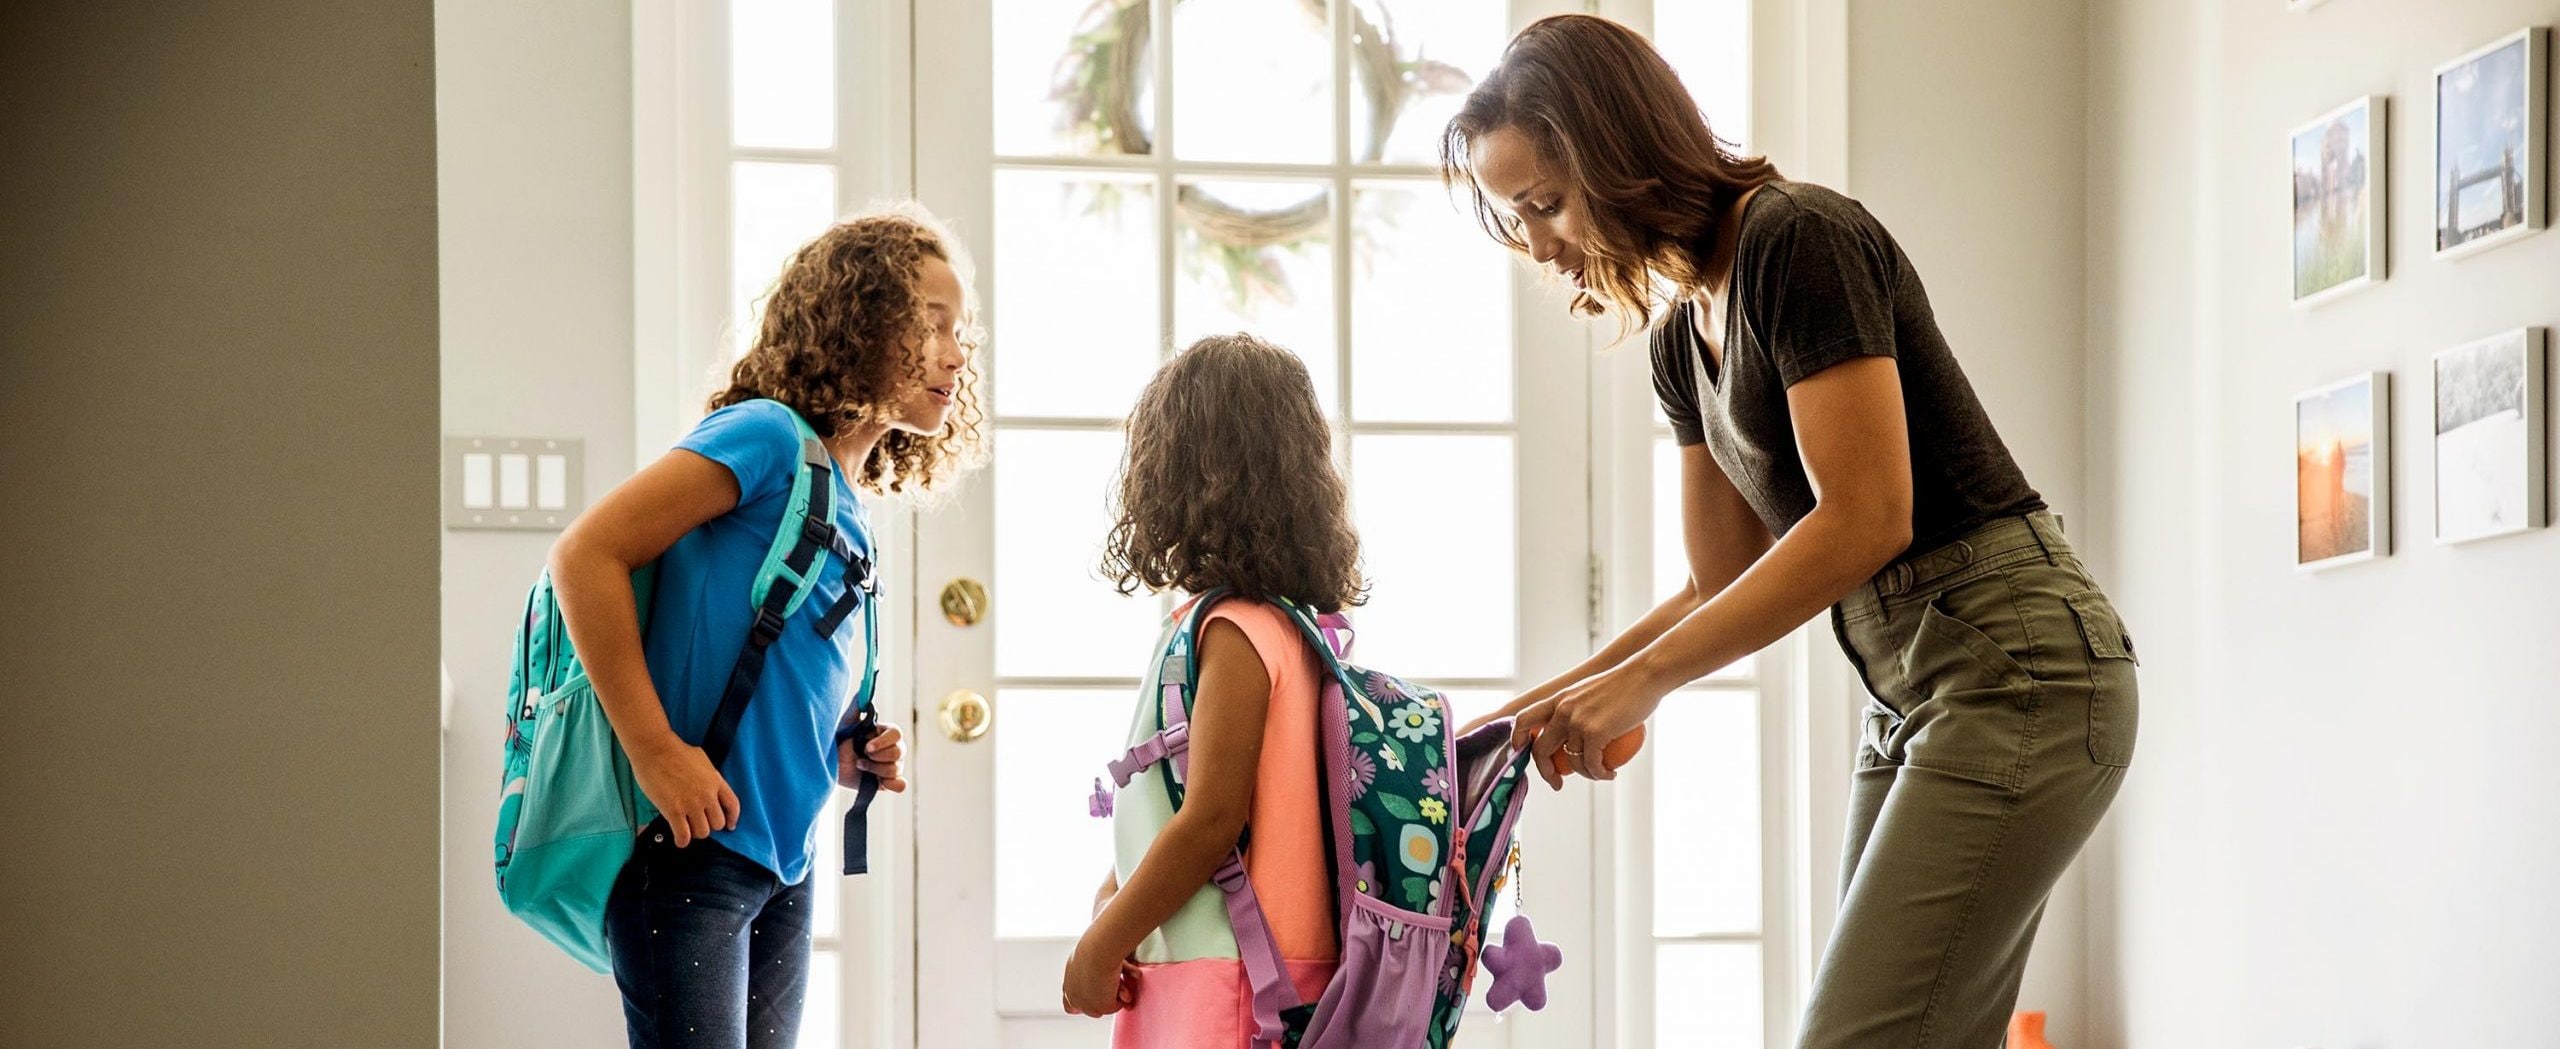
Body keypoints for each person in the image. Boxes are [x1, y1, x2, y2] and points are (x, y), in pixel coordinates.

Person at [1441, 16, 2140, 1049]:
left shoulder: (1794, 239)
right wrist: (1520, 719)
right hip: (1912, 684)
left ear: (1618, 153)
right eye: (1517, 219)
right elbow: (1722, 578)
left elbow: (1867, 516)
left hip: (2017, 664)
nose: (1539, 245)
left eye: (1545, 204)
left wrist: (1643, 683)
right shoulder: (1682, 339)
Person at [548, 205, 984, 1048]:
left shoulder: (844, 499)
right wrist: (656, 752)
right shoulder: (767, 437)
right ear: (862, 321)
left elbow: (774, 666)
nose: (956, 355)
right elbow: (586, 554)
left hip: (781, 858)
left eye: (961, 332)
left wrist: (846, 747)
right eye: (932, 326)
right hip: (690, 847)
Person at [1061, 334, 1358, 1045]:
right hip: (1247, 967)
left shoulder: (1233, 630)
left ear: (1177, 473)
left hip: (1235, 979)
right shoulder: (1286, 627)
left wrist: (1099, 944)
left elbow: (1213, 818)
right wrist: (1118, 896)